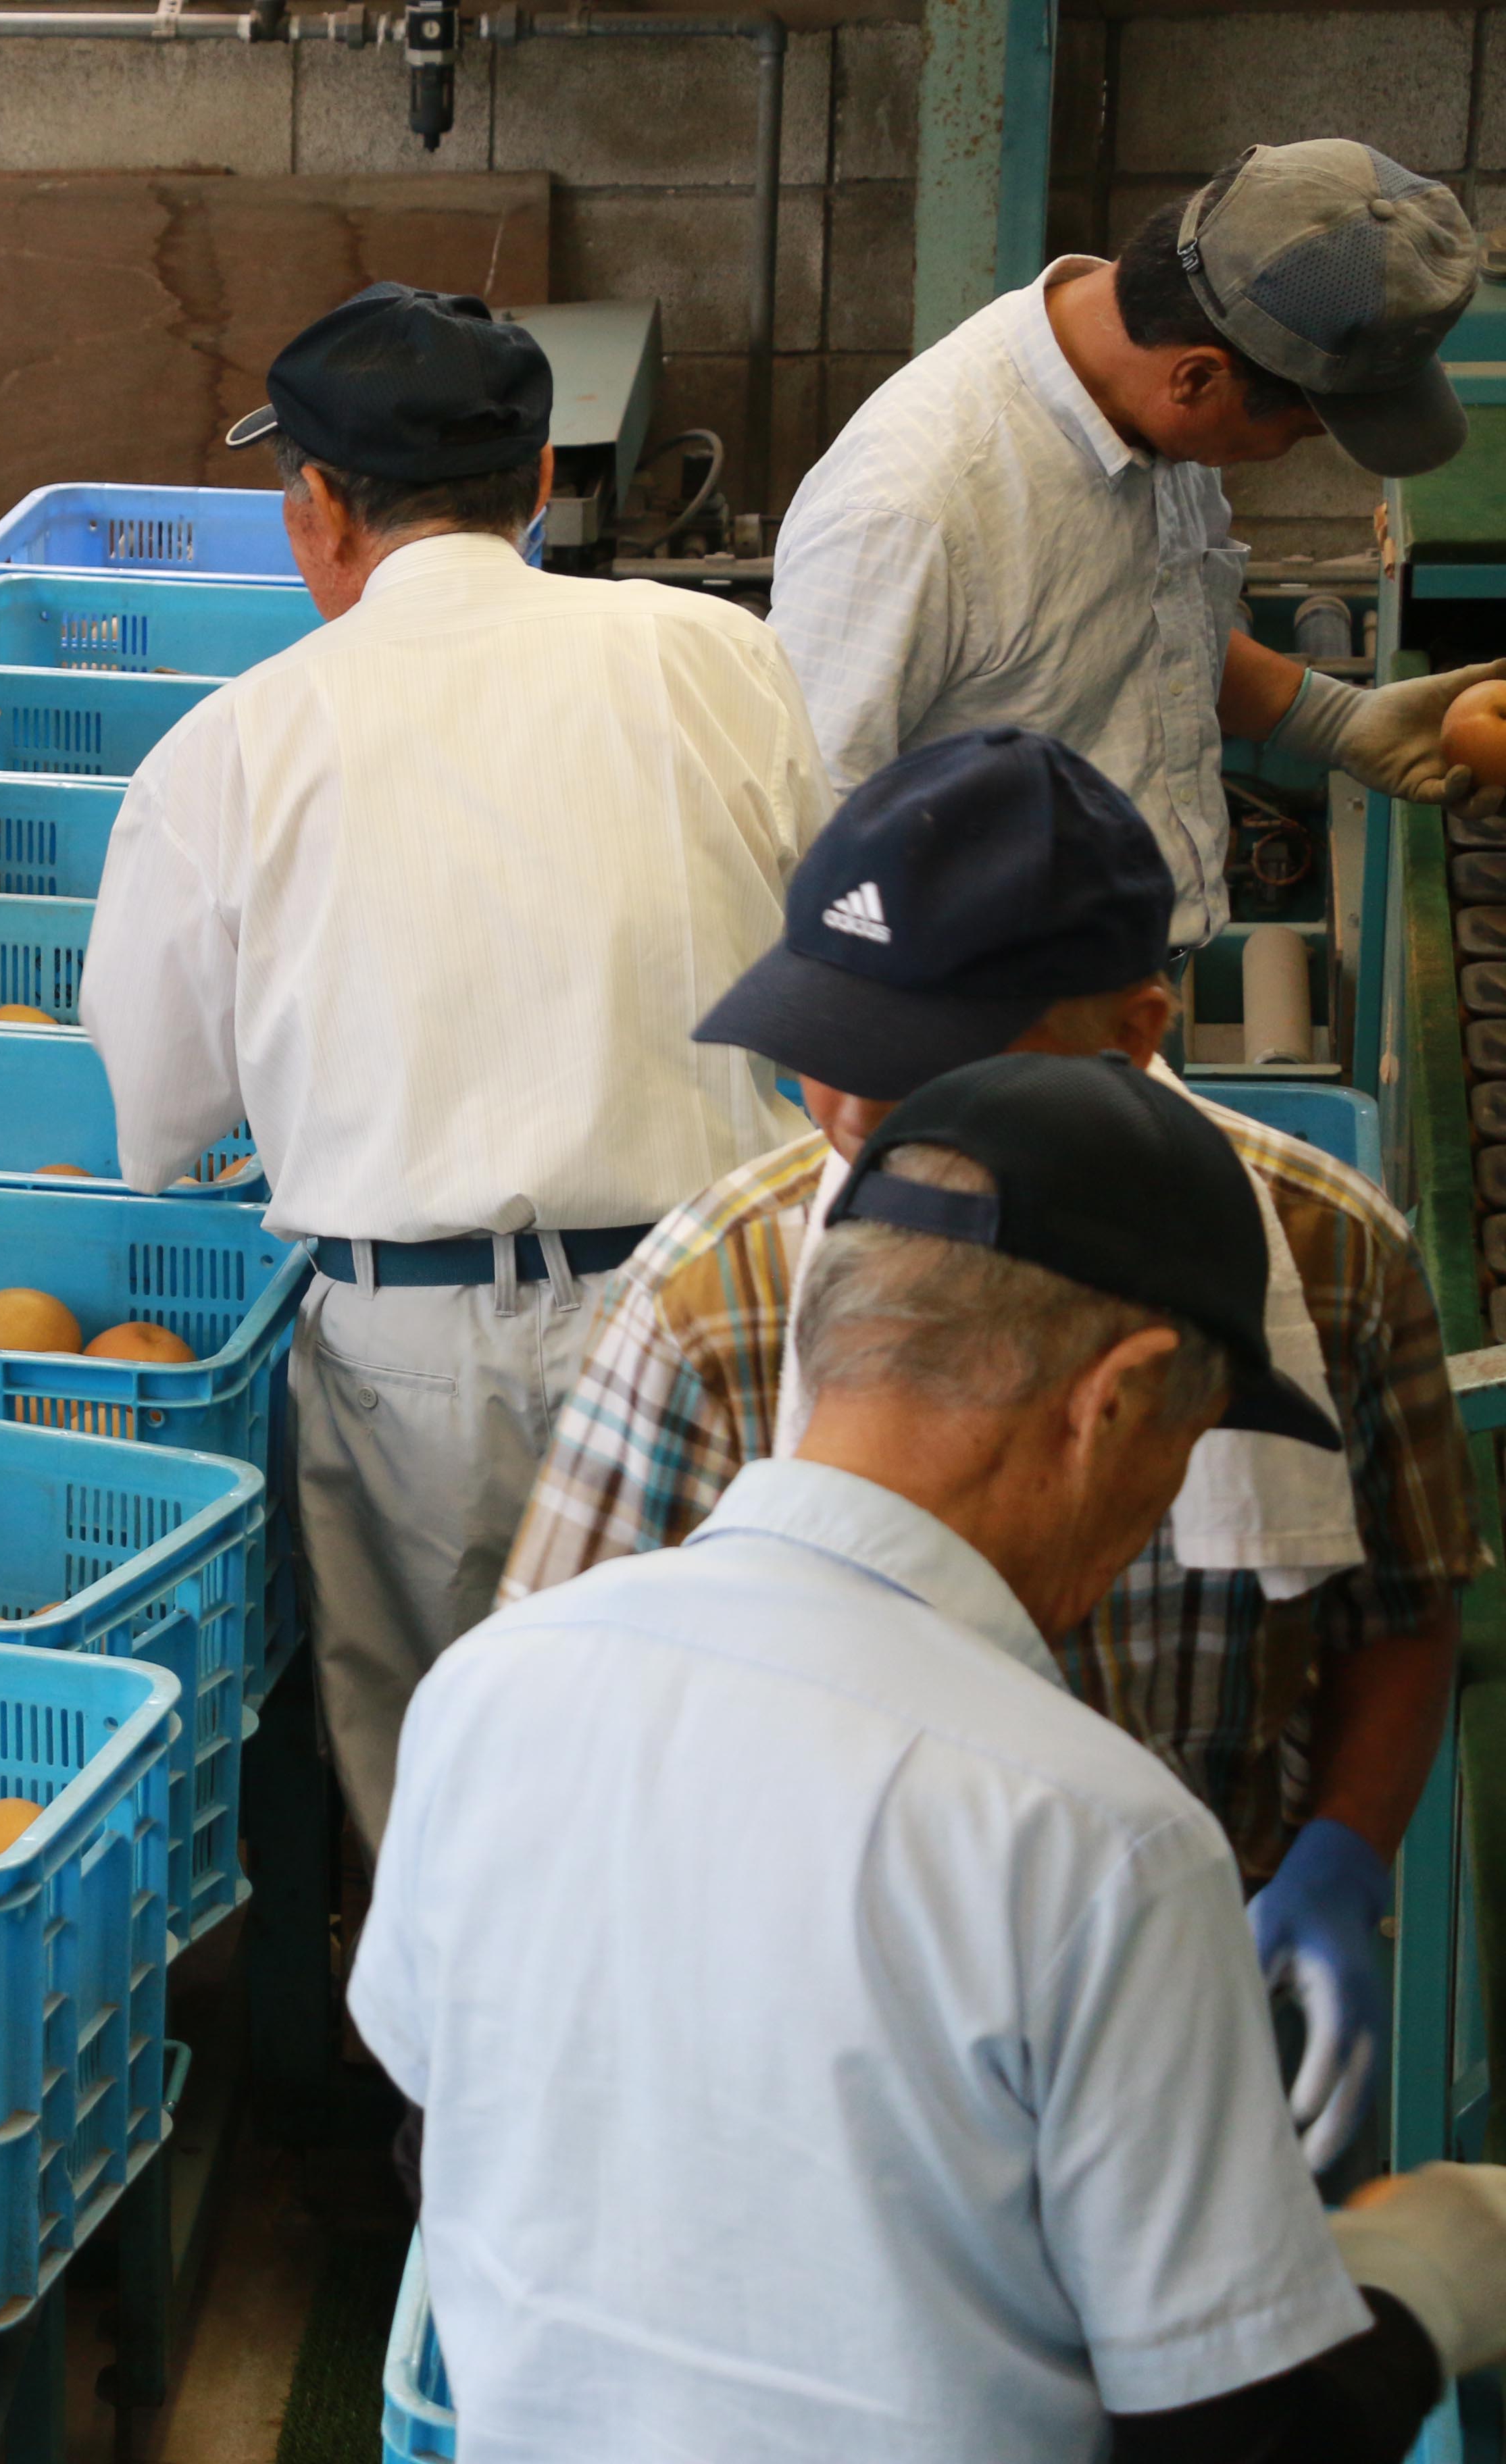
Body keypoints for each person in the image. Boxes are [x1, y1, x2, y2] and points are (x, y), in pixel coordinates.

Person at [356, 1051, 1506, 2462]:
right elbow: (1241, 2437)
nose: (1160, 1518)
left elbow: (439, 2137)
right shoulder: (1103, 1845)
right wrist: (1440, 2269)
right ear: (1117, 1400)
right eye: (1191, 1445)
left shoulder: (489, 1691)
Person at [505, 725, 1476, 2173]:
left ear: (1136, 1035)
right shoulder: (721, 1300)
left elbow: (1401, 1606)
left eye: (915, 1075)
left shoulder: (1328, 1263)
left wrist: (1341, 1851)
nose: (846, 1117)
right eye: (820, 1059)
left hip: (1201, 1980)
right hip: (826, 2022)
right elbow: (562, 1733)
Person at [80, 281, 832, 1844]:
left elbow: (154, 1125)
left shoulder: (224, 750)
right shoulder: (716, 657)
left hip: (417, 1358)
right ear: (539, 480)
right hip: (706, 1305)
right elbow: (826, 971)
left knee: (460, 1822)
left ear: (316, 510)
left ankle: (460, 2087)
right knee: (703, 1789)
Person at [772, 141, 1504, 948]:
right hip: (988, 1023)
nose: (1287, 454)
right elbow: (804, 832)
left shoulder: (1150, 412)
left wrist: (1334, 721)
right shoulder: (912, 511)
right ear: (1197, 379)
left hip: (1126, 985)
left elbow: (1152, 631)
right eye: (1298, 432)